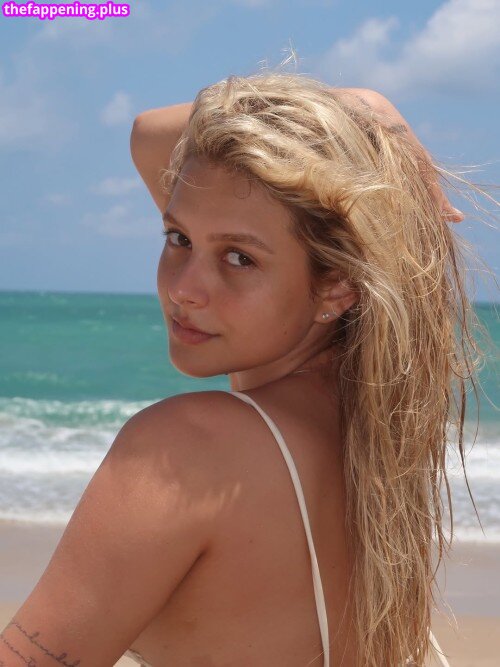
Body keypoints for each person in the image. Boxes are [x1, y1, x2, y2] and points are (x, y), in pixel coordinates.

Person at [0, 71, 483, 667]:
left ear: (337, 285)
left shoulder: (192, 448)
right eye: (178, 238)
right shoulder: (374, 433)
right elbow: (150, 138)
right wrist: (353, 109)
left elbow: (148, 135)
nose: (185, 289)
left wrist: (357, 107)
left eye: (238, 257)